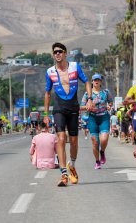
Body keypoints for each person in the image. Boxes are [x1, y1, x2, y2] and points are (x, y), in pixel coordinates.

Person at [44, 42, 92, 187]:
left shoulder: (74, 67)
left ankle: (72, 165)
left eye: (60, 52)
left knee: (74, 140)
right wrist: (46, 114)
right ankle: (64, 173)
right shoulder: (49, 72)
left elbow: (87, 82)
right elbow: (47, 93)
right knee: (61, 138)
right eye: (55, 52)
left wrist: (89, 99)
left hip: (73, 106)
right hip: (58, 107)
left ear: (65, 53)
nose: (57, 54)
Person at [80, 74, 113, 169]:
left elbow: (110, 102)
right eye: (95, 80)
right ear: (92, 82)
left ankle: (102, 152)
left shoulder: (106, 92)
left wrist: (109, 106)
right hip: (92, 118)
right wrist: (88, 106)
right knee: (95, 142)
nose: (96, 81)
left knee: (104, 138)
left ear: (101, 82)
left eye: (98, 79)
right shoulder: (87, 94)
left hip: (104, 118)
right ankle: (97, 161)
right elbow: (81, 107)